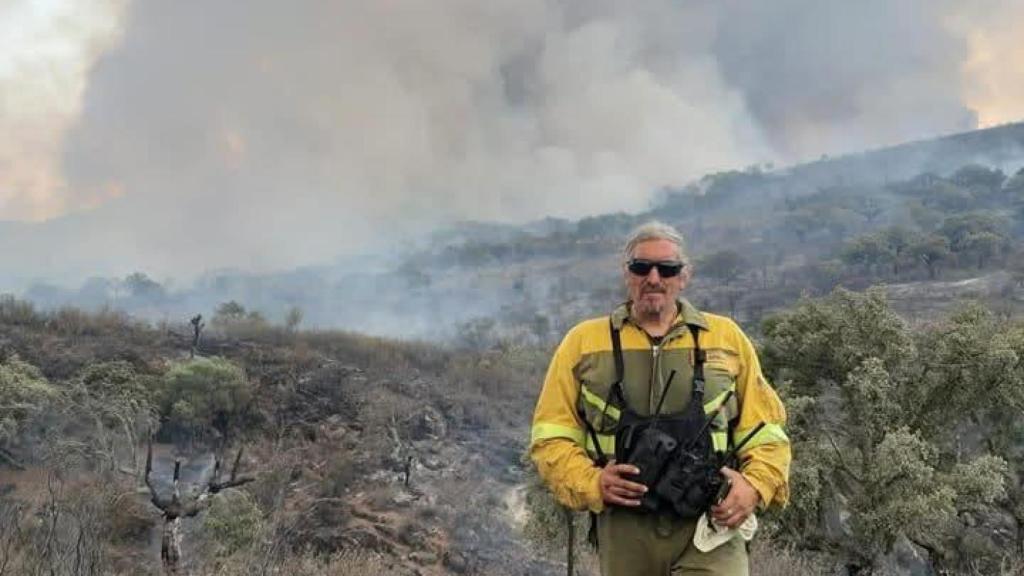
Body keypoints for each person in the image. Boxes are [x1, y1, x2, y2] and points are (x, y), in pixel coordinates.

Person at [530, 221, 790, 576]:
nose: (654, 278)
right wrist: (591, 482)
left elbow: (766, 431)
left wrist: (755, 485)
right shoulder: (584, 343)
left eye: (667, 268)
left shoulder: (726, 338)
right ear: (627, 274)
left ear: (684, 276)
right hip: (624, 527)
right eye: (641, 267)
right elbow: (550, 435)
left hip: (709, 525)